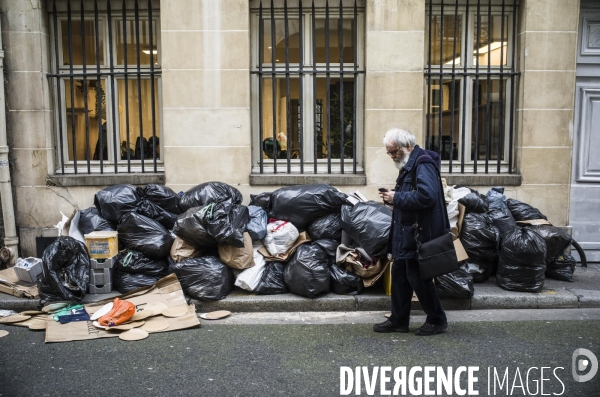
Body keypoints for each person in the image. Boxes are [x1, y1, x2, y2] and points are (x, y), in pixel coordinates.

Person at [374, 128, 448, 336]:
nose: (391, 156)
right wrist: (395, 196)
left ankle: (437, 319)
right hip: (407, 230)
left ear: (407, 147)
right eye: (389, 152)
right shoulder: (410, 163)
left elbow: (427, 196)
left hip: (417, 233)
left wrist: (396, 198)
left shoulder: (422, 163)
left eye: (393, 152)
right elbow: (415, 193)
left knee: (417, 277)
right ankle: (398, 320)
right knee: (399, 275)